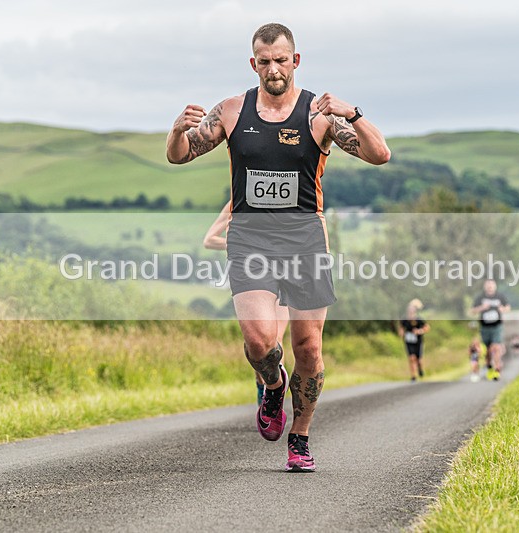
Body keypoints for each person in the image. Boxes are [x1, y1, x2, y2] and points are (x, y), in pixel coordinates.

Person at [167, 23, 391, 472]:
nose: (274, 69)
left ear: (296, 61)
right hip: (250, 239)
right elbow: (180, 154)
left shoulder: (319, 114)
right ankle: (272, 386)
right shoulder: (231, 110)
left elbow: (379, 154)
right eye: (265, 61)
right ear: (254, 64)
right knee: (258, 341)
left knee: (308, 348)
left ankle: (301, 436)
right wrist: (176, 131)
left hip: (305, 241)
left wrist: (355, 113)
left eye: (281, 60)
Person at [203, 200, 289, 405]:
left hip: (283, 272)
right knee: (258, 341)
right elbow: (209, 240)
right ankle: (263, 386)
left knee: (276, 337)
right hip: (250, 275)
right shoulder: (236, 202)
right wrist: (241, 245)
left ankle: (275, 398)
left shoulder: (284, 196)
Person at [470, 279, 510, 381]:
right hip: (484, 327)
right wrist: (482, 308)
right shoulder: (480, 297)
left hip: (497, 326)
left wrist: (503, 309)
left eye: (491, 285)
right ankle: (489, 367)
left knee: (495, 348)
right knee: (487, 351)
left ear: (495, 286)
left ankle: (497, 371)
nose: (490, 287)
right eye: (488, 285)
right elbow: (473, 310)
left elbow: (508, 307)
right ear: (485, 287)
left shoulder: (500, 296)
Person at [398, 299, 430, 381]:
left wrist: (419, 331)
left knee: (418, 359)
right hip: (409, 341)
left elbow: (427, 327)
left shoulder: (419, 320)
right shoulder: (404, 320)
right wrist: (401, 333)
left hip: (418, 341)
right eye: (409, 311)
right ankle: (413, 375)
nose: (410, 312)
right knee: (412, 358)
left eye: (412, 311)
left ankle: (420, 369)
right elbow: (401, 328)